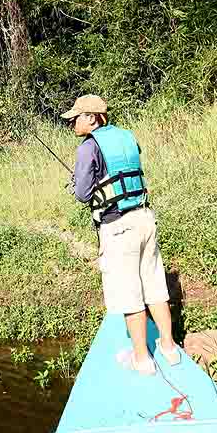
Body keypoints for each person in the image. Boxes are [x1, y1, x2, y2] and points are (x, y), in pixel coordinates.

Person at [61, 94, 181, 375]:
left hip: (119, 227)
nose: (72, 124)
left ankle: (141, 359)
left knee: (130, 295)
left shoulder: (87, 148)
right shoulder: (127, 136)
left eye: (76, 118)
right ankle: (169, 348)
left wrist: (77, 184)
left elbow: (82, 194)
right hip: (145, 218)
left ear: (91, 117)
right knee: (154, 287)